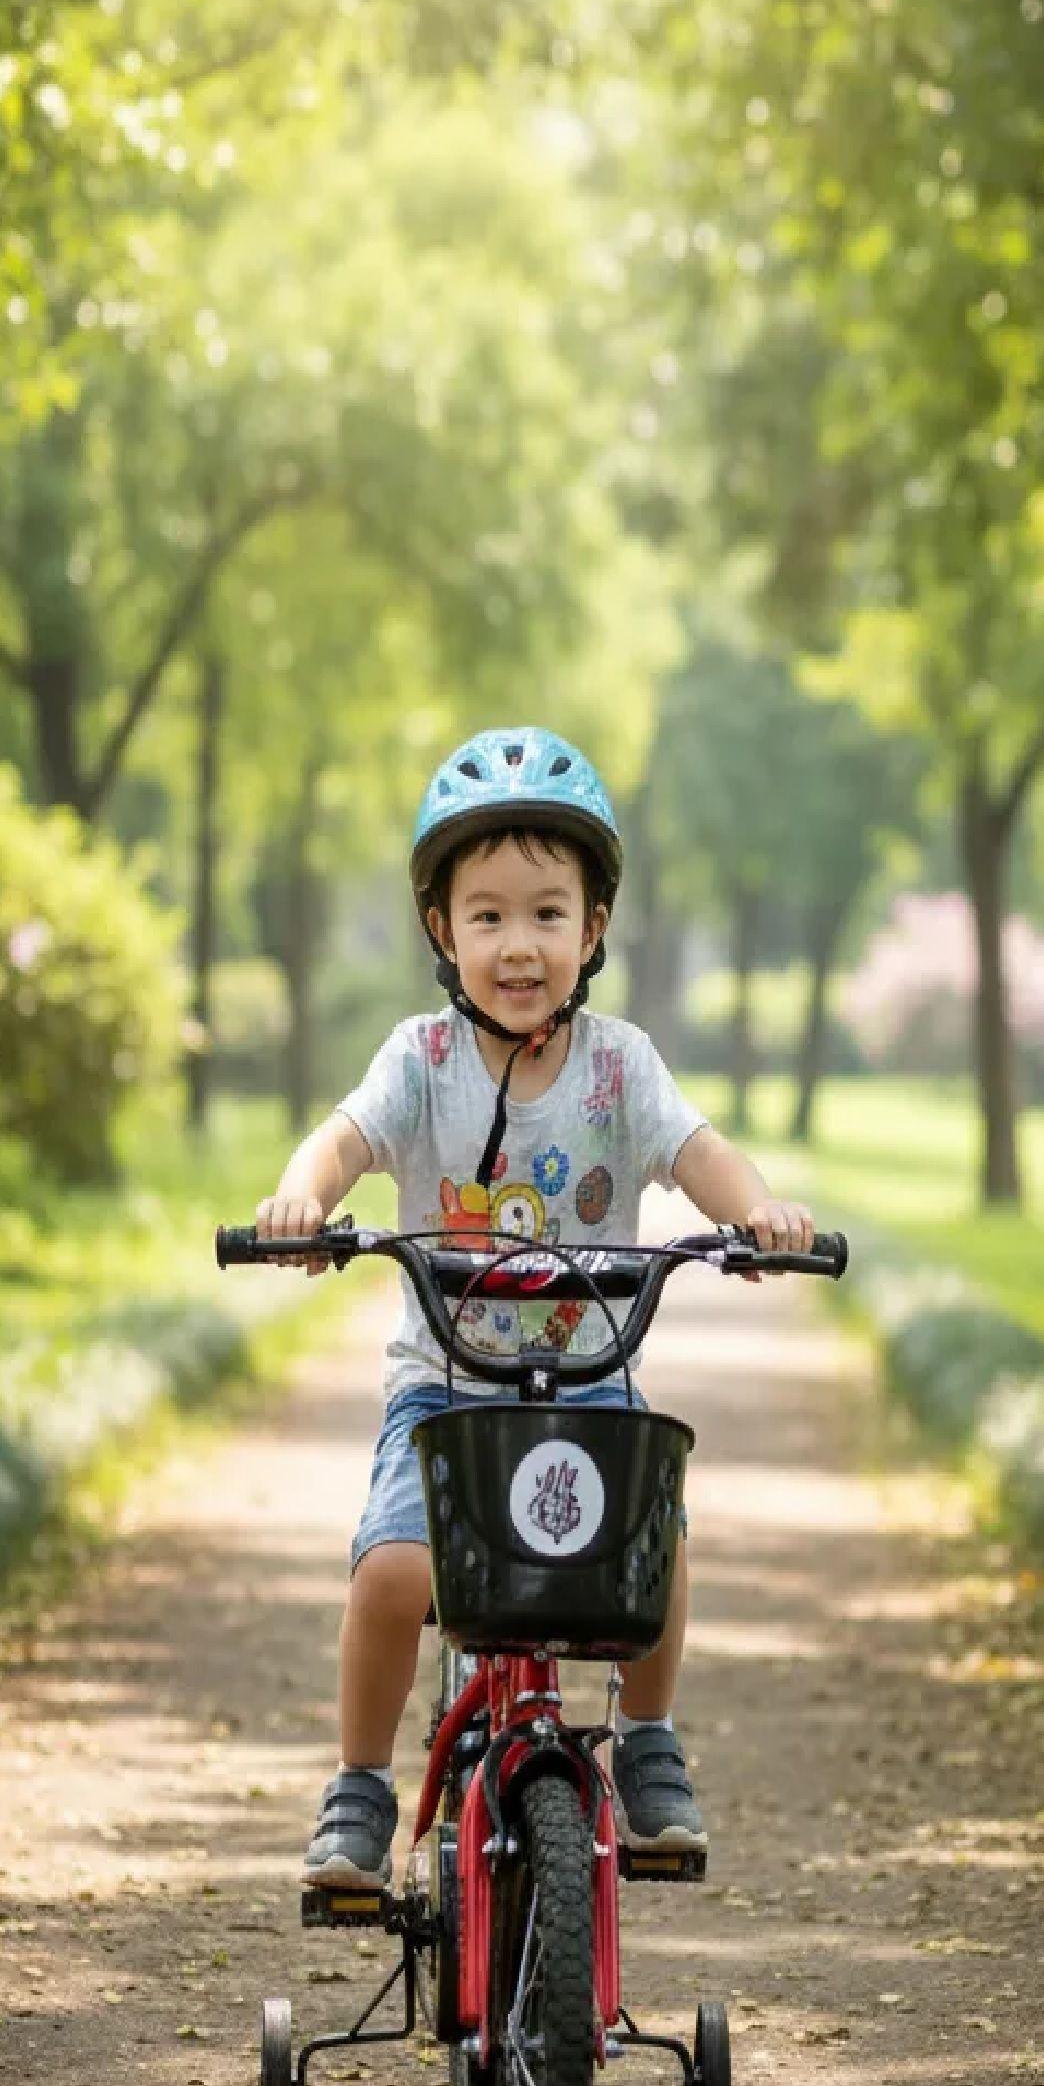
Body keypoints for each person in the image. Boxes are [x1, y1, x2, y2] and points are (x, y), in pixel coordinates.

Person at [255, 724, 815, 1891]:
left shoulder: (621, 1067)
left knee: (653, 1546)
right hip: (447, 1387)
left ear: (594, 930)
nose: (520, 945)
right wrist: (304, 1198)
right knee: (394, 1576)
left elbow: (698, 1151)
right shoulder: (419, 1062)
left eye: (549, 914)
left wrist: (757, 1212)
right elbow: (345, 1140)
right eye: (490, 915)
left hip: (591, 1376)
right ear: (441, 931)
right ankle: (359, 1788)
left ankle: (649, 1744)